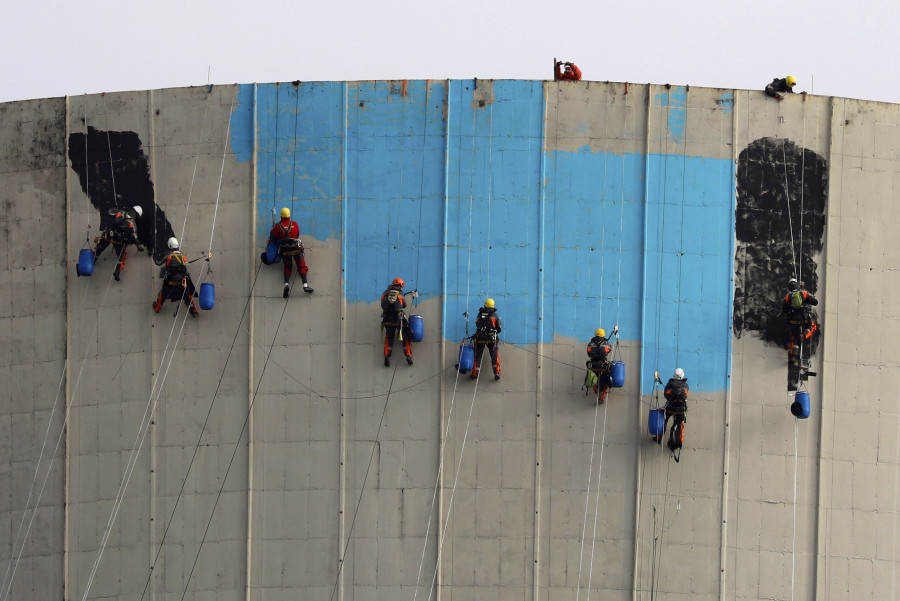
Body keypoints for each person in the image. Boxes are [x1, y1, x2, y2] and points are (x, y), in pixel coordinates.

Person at [268, 207, 313, 297]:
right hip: (296, 248)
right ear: (289, 215)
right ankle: (305, 285)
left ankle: (286, 285)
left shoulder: (277, 226)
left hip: (285, 251)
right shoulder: (295, 224)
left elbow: (273, 237)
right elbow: (297, 235)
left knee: (287, 267)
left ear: (281, 216)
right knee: (301, 266)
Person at [152, 237, 200, 317]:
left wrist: (155, 255)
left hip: (170, 280)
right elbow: (185, 266)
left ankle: (157, 308)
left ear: (169, 246)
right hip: (182, 280)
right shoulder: (182, 256)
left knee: (163, 293)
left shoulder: (168, 256)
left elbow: (158, 262)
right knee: (187, 295)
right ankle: (193, 311)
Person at [93, 205, 144, 281]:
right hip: (118, 240)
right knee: (121, 256)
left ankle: (94, 259)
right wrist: (139, 246)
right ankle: (117, 272)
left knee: (100, 247)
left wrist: (115, 209)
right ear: (137, 215)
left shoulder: (121, 212)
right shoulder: (133, 224)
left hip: (109, 234)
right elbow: (134, 237)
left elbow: (109, 212)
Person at [381, 277, 417, 367]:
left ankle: (387, 357)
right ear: (400, 285)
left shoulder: (386, 293)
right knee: (406, 336)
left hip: (387, 319)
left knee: (389, 338)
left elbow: (382, 304)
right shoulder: (399, 293)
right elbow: (404, 305)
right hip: (399, 318)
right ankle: (408, 356)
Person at [783, 277, 818, 351]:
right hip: (804, 318)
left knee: (794, 336)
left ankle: (793, 355)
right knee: (813, 326)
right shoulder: (803, 293)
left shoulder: (788, 296)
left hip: (793, 320)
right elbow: (815, 302)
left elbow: (784, 310)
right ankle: (804, 335)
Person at [471, 298, 502, 380]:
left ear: (485, 304)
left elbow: (477, 324)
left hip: (480, 338)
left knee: (478, 355)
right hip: (491, 339)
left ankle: (475, 374)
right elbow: (499, 328)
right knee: (494, 354)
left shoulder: (479, 314)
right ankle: (496, 373)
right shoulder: (494, 315)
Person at [659, 368, 689, 454]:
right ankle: (677, 442)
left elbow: (666, 394)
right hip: (681, 408)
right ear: (682, 375)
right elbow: (685, 395)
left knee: (663, 420)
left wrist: (671, 396)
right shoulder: (685, 385)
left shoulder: (670, 383)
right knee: (678, 424)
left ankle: (659, 437)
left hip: (671, 406)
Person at [585, 327, 613, 401]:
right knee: (606, 376)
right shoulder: (605, 343)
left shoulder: (591, 343)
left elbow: (588, 352)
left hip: (593, 364)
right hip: (602, 365)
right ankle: (602, 390)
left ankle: (596, 387)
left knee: (594, 376)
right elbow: (608, 350)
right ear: (603, 335)